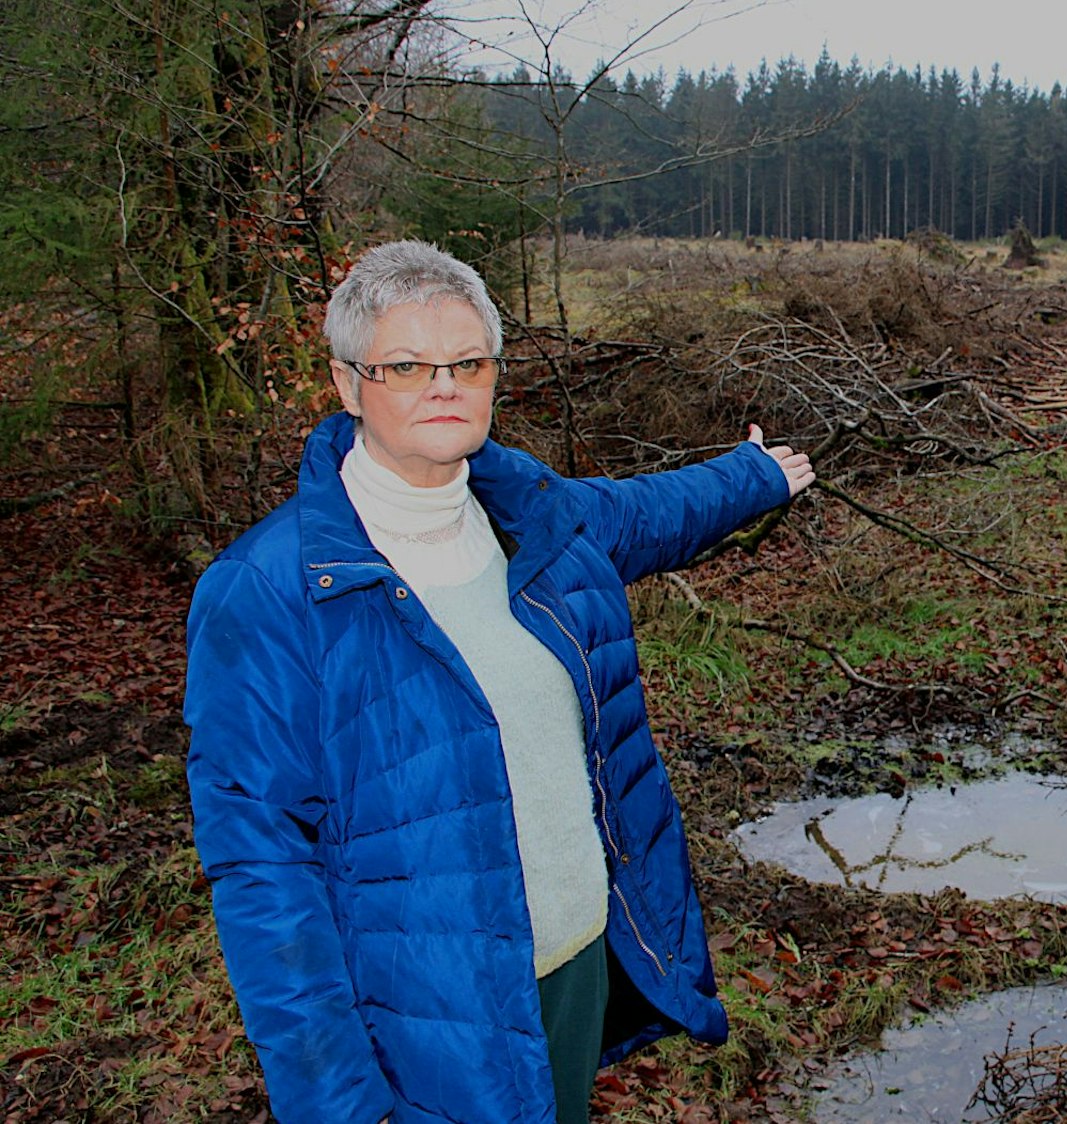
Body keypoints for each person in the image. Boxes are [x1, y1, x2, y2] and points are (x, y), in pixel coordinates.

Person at [183, 240, 814, 1122]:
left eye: (466, 362)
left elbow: (653, 510)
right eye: (405, 365)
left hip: (575, 963)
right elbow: (263, 874)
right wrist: (334, 1101)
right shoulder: (269, 591)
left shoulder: (539, 524)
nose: (443, 386)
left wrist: (754, 476)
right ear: (346, 383)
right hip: (427, 1022)